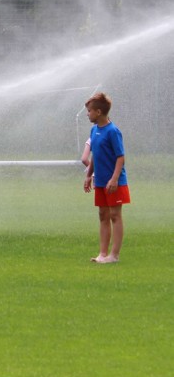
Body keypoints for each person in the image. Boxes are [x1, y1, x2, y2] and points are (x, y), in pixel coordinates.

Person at [83, 92, 129, 264]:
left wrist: (115, 179)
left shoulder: (113, 131)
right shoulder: (94, 130)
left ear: (99, 112)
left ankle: (114, 255)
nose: (87, 114)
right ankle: (102, 254)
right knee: (103, 215)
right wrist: (89, 175)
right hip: (100, 181)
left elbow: (120, 157)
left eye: (89, 111)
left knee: (115, 216)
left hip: (115, 183)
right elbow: (95, 154)